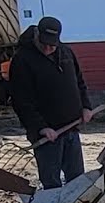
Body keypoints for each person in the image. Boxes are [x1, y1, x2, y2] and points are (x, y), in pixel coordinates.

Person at [8, 16, 96, 190]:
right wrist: (41, 127)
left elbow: (79, 82)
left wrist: (86, 107)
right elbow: (21, 101)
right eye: (44, 43)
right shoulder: (23, 60)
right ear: (36, 35)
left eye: (52, 45)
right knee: (51, 182)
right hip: (47, 136)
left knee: (77, 179)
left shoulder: (66, 53)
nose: (48, 48)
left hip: (71, 128)